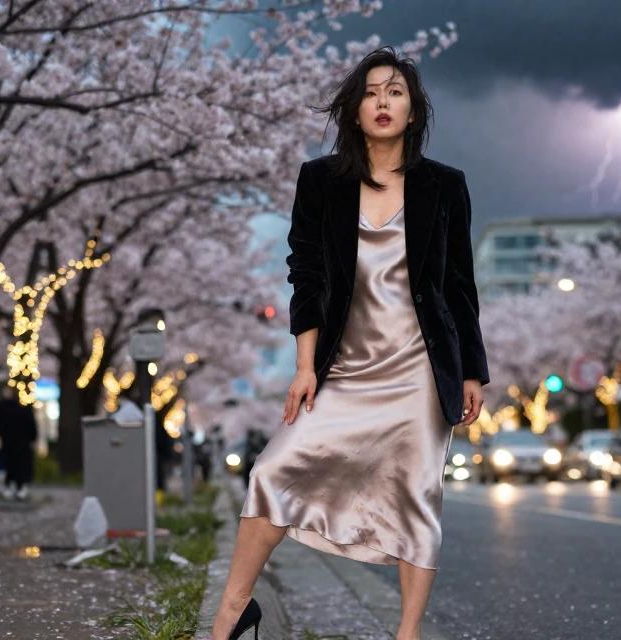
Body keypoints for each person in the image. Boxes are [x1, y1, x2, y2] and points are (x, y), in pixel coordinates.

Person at [210, 47, 489, 640]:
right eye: (370, 92)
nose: (382, 102)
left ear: (414, 111)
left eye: (395, 92)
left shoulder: (445, 186)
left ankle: (407, 633)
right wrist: (304, 365)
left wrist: (471, 370)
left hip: (419, 367)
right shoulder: (320, 180)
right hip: (344, 365)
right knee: (274, 470)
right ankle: (233, 611)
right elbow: (306, 275)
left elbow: (459, 284)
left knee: (416, 495)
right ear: (353, 110)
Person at [0, 386, 38, 501]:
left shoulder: (2, 407)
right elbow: (32, 427)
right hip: (20, 442)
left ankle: (10, 487)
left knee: (9, 465)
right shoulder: (24, 408)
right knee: (19, 465)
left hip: (8, 441)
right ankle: (19, 488)